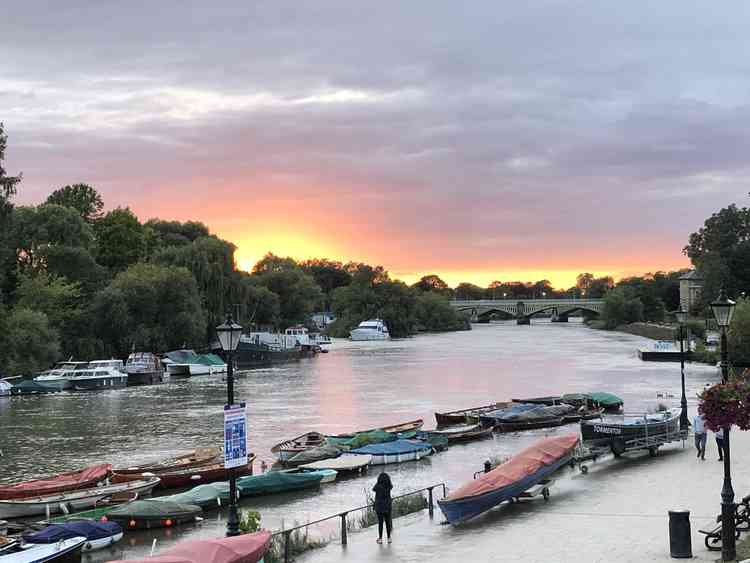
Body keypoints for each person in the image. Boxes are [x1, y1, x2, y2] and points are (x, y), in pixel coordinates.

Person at [373, 472, 393, 544]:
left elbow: (373, 489)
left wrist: (378, 482)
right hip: (387, 506)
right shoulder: (389, 486)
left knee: (380, 523)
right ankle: (389, 538)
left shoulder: (378, 486)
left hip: (379, 506)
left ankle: (380, 538)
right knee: (388, 522)